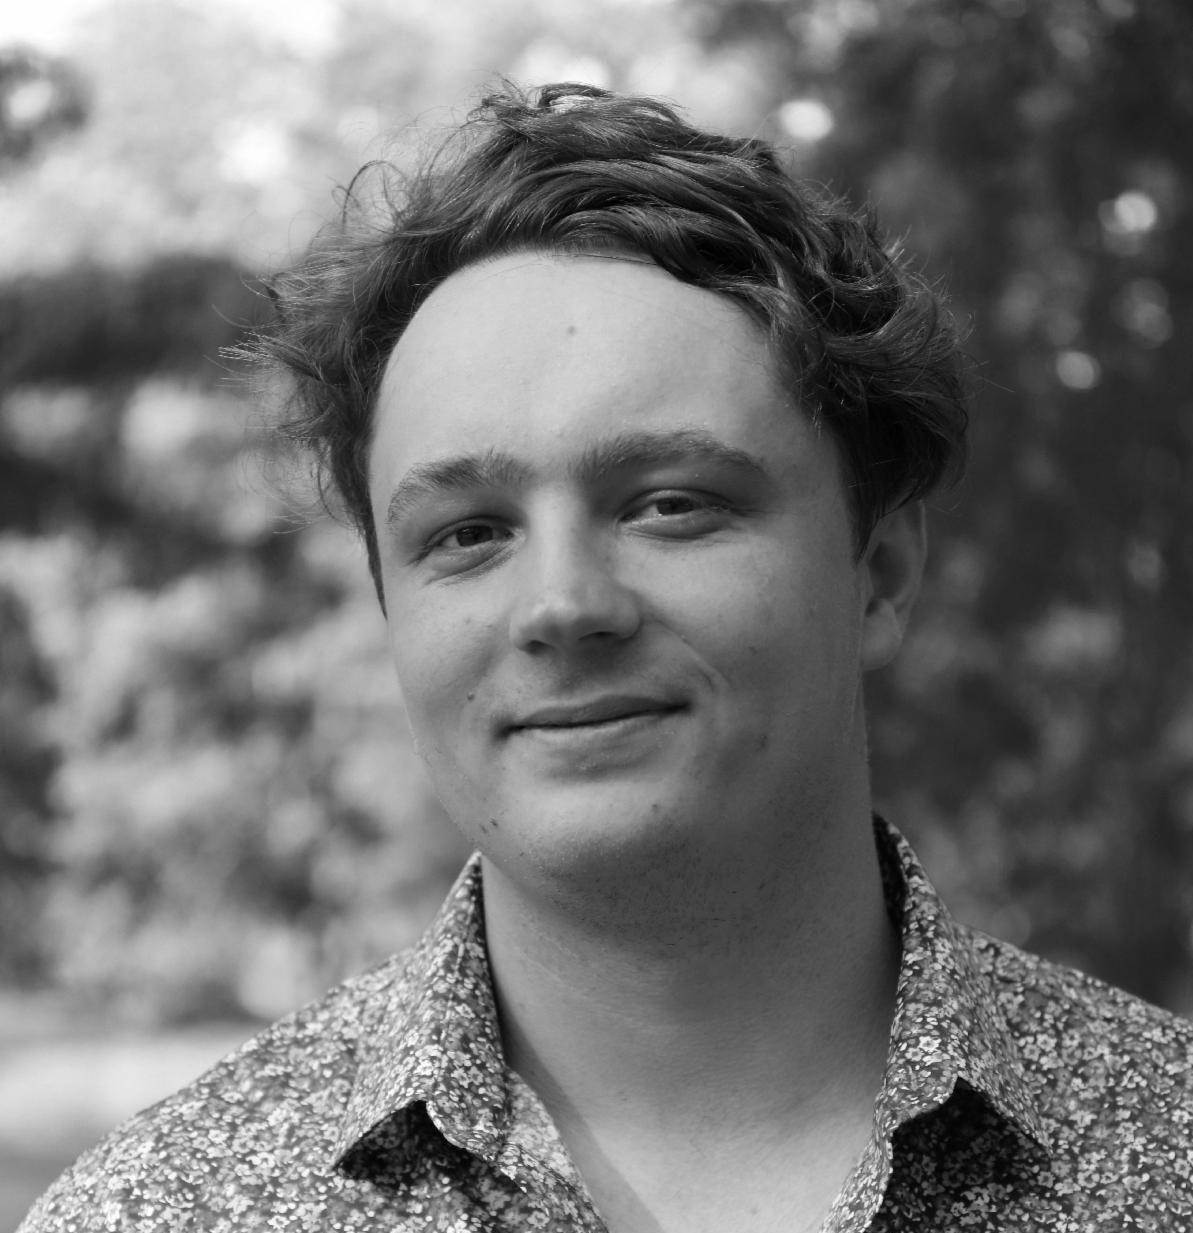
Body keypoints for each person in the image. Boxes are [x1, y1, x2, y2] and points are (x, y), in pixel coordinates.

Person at [20, 81, 1193, 1233]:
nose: (564, 605)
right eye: (467, 534)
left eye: (669, 504)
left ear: (877, 573)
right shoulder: (157, 1213)